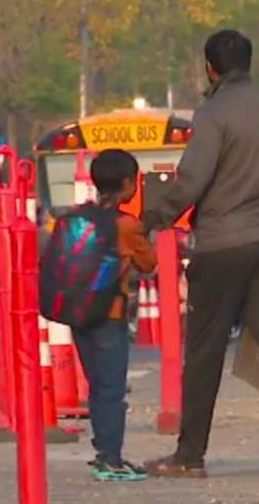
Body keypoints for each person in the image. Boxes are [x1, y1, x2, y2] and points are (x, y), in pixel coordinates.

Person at [143, 29, 259, 481]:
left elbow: (192, 180)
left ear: (210, 69)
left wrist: (154, 217)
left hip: (220, 246)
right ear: (250, 64)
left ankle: (190, 455)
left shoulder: (212, 115)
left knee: (204, 353)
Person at [72, 148, 158, 482]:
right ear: (126, 184)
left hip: (77, 312)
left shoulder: (78, 217)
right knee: (112, 388)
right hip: (110, 313)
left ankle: (103, 451)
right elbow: (149, 265)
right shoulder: (126, 225)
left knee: (96, 386)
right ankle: (111, 458)